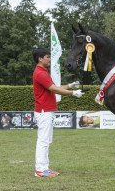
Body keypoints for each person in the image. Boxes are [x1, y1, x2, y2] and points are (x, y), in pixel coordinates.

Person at [32, 48, 84, 178]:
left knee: (46, 140)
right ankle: (40, 170)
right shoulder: (40, 73)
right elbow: (54, 89)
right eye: (47, 57)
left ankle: (44, 168)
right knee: (43, 141)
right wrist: (73, 93)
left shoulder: (42, 72)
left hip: (45, 111)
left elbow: (55, 88)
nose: (49, 59)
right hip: (44, 111)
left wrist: (70, 86)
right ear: (40, 59)